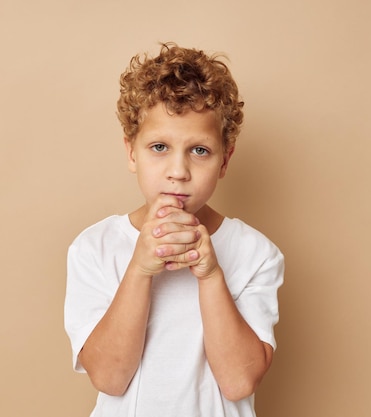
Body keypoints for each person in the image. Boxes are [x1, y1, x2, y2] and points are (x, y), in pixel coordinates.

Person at [64, 42, 284, 417]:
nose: (178, 171)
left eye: (199, 150)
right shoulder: (94, 248)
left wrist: (211, 274)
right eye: (159, 147)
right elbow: (110, 378)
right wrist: (139, 268)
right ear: (132, 153)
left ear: (225, 160)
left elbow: (238, 382)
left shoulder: (256, 253)